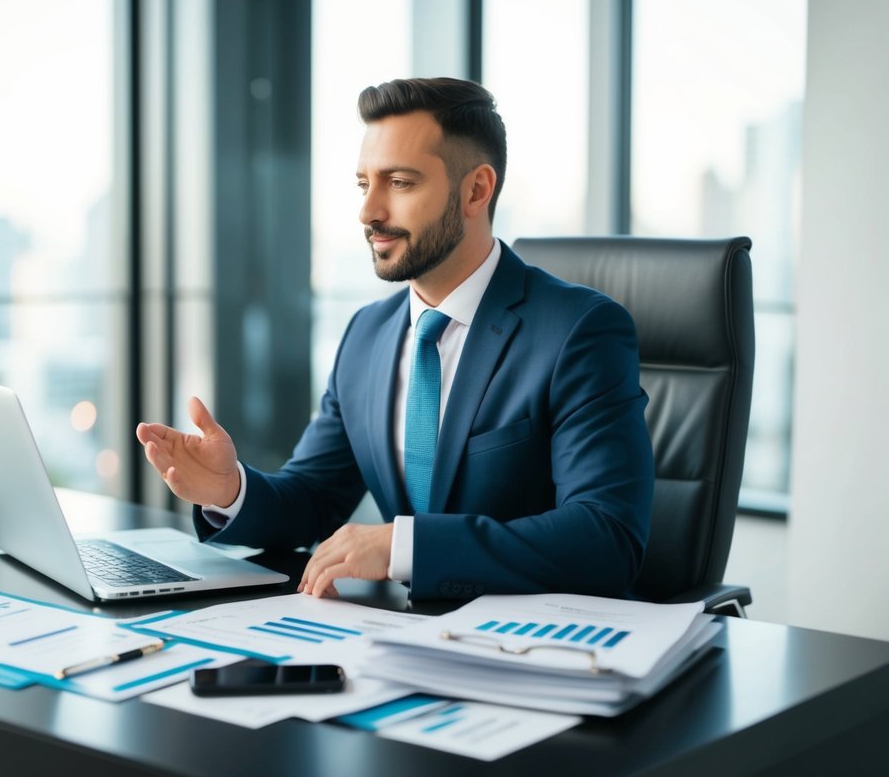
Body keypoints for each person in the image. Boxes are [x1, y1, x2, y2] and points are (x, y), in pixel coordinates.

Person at [136, 77, 653, 600]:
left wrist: (403, 548)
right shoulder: (368, 334)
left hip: (534, 649)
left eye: (400, 183)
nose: (369, 211)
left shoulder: (579, 331)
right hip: (399, 643)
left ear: (476, 190)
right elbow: (314, 498)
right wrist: (231, 491)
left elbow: (605, 539)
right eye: (364, 184)